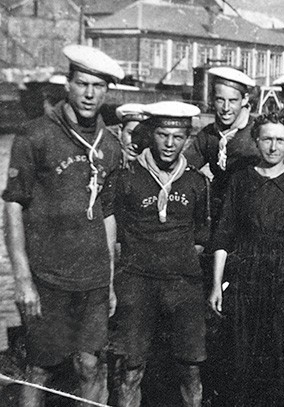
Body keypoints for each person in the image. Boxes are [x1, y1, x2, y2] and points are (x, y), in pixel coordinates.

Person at [3, 44, 124, 406]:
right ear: (67, 84)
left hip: (93, 280)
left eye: (98, 87)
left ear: (107, 92)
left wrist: (111, 279)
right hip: (48, 277)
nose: (90, 94)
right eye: (82, 83)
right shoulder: (34, 135)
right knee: (41, 368)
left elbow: (108, 214)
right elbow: (12, 207)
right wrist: (23, 280)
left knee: (91, 365)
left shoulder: (112, 146)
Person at [208, 113, 284, 406]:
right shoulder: (240, 180)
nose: (273, 146)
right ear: (256, 141)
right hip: (245, 275)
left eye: (280, 140)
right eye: (267, 139)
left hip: (283, 278)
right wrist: (216, 284)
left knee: (279, 357)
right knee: (241, 355)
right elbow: (224, 233)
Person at [110, 101, 206, 407]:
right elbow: (118, 233)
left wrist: (178, 260)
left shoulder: (196, 181)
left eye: (177, 138)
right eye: (163, 134)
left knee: (190, 369)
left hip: (183, 282)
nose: (169, 143)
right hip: (138, 281)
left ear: (188, 140)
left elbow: (202, 235)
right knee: (131, 370)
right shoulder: (128, 177)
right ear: (152, 134)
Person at [184, 66, 259, 221]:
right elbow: (185, 166)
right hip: (219, 209)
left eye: (232, 101)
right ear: (212, 99)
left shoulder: (258, 131)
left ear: (244, 100)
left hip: (251, 210)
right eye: (220, 100)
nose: (225, 108)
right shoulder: (209, 134)